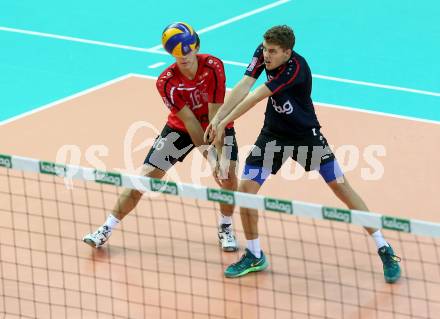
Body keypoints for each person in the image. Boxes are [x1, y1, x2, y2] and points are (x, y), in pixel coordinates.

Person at [205, 25, 401, 283]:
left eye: (272, 51)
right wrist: (218, 119)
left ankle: (383, 247)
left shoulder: (294, 69)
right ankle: (254, 254)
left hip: (305, 136)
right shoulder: (264, 53)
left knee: (341, 187)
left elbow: (254, 98)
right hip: (274, 135)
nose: (266, 55)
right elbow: (244, 85)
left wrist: (221, 123)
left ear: (287, 52)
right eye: (264, 49)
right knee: (246, 190)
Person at [83, 22, 238, 252]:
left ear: (196, 46)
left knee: (227, 177)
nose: (183, 56)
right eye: (175, 51)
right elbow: (191, 123)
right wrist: (210, 158)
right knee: (144, 178)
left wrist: (217, 160)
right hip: (181, 130)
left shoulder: (213, 66)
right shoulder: (166, 82)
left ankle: (225, 226)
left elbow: (215, 116)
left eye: (187, 49)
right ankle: (105, 228)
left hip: (216, 124)